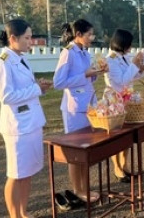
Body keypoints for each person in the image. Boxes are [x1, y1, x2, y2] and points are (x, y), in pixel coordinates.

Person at [0, 19, 52, 218]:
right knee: (16, 175)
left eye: (31, 37)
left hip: (31, 122)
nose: (31, 42)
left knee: (27, 173)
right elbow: (6, 96)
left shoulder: (20, 57)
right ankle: (14, 215)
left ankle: (23, 213)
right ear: (13, 38)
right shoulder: (3, 62)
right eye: (27, 38)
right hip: (17, 127)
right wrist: (35, 88)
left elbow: (23, 87)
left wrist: (37, 86)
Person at [53, 19, 107, 202]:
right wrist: (85, 75)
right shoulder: (68, 53)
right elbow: (59, 82)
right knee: (76, 152)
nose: (92, 38)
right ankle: (77, 190)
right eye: (89, 34)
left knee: (86, 151)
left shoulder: (84, 52)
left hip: (88, 105)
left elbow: (87, 78)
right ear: (78, 35)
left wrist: (96, 73)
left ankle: (84, 188)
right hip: (74, 108)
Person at [104, 29, 144, 183]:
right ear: (121, 44)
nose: (131, 47)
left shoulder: (123, 57)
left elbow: (133, 76)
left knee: (127, 136)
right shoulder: (110, 59)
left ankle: (124, 164)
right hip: (115, 101)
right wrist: (135, 65)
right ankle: (117, 167)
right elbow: (122, 81)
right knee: (116, 136)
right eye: (129, 44)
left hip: (126, 99)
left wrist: (141, 69)